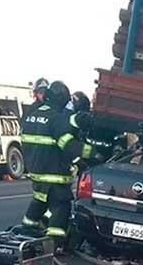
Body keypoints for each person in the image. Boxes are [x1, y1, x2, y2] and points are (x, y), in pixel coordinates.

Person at [21, 81, 100, 245]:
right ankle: (53, 243)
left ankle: (26, 232)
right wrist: (93, 153)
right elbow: (66, 144)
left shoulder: (31, 114)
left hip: (36, 172)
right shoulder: (57, 117)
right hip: (53, 173)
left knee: (40, 200)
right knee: (61, 206)